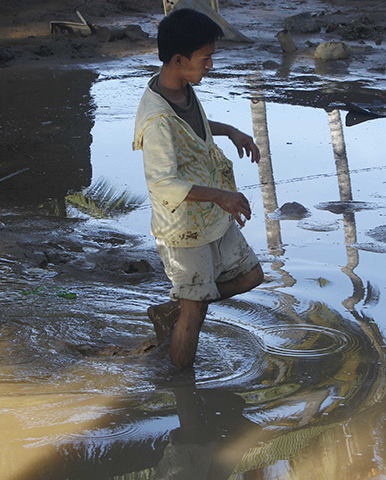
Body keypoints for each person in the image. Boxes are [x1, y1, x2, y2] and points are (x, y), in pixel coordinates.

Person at [132, 8, 263, 369]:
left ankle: (171, 308)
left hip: (208, 216)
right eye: (205, 59)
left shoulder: (183, 88)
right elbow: (162, 183)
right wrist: (222, 196)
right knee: (195, 315)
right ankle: (182, 390)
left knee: (252, 276)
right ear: (179, 59)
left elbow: (196, 125)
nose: (210, 66)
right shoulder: (157, 120)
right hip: (183, 229)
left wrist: (230, 130)